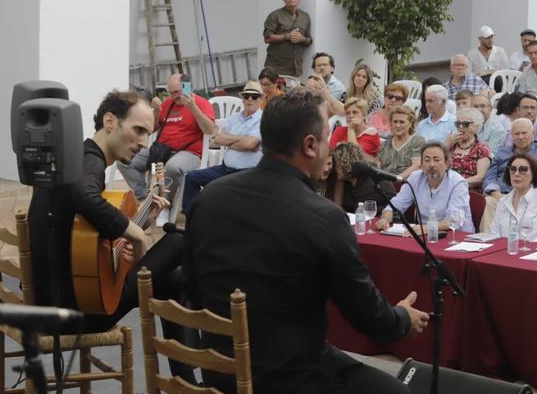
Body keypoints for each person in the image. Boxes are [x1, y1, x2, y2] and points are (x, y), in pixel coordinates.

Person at [184, 89, 429, 392]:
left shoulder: (209, 198)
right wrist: (402, 317)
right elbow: (369, 318)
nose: (330, 150)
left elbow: (193, 289)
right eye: (327, 139)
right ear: (311, 145)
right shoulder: (324, 217)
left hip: (220, 369)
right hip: (291, 376)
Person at [28, 90, 196, 381]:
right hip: (78, 312)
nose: (144, 143)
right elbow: (85, 196)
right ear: (110, 121)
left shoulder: (74, 158)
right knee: (178, 241)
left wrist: (142, 223)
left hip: (59, 301)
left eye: (148, 134)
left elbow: (84, 236)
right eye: (138, 130)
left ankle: (185, 381)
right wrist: (138, 236)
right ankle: (190, 378)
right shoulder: (89, 162)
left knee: (172, 280)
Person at [118, 73, 213, 210]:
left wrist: (193, 107)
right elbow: (151, 129)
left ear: (187, 87)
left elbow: (209, 130)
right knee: (124, 160)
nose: (173, 96)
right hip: (162, 150)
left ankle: (164, 204)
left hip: (189, 152)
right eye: (171, 93)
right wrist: (156, 111)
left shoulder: (202, 103)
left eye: (176, 92)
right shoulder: (169, 103)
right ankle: (145, 198)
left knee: (172, 167)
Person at [181, 81, 263, 214]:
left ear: (261, 99)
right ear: (242, 99)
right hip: (225, 169)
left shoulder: (262, 119)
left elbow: (250, 144)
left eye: (254, 96)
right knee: (191, 178)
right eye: (246, 96)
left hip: (247, 173)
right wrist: (242, 139)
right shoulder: (234, 117)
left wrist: (230, 140)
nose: (249, 99)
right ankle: (193, 217)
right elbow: (218, 139)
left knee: (222, 192)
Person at [376, 141, 474, 233]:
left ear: (447, 164)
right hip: (425, 234)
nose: (431, 165)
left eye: (436, 160)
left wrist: (426, 228)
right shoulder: (414, 178)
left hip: (457, 236)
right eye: (427, 160)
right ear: (421, 164)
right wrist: (385, 220)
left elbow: (453, 220)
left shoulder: (458, 183)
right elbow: (395, 205)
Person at [488, 154, 537, 243]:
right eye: (513, 169)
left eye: (523, 169)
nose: (516, 174)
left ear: (533, 174)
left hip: (532, 250)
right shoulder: (503, 201)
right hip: (504, 250)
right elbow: (494, 234)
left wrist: (526, 246)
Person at [262, 0, 313, 76]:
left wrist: (302, 39)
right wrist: (287, 36)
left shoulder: (305, 17)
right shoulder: (275, 15)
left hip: (296, 68)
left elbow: (309, 40)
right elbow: (267, 38)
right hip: (276, 68)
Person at [330, 142, 390, 215]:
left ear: (344, 164)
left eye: (335, 164)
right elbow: (338, 208)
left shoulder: (368, 181)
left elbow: (360, 213)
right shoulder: (346, 181)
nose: (333, 168)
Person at [448, 107, 491, 191]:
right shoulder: (451, 144)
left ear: (476, 126)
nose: (460, 127)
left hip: (468, 191)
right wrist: (446, 145)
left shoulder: (481, 148)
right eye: (458, 123)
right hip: (446, 188)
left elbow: (480, 177)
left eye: (465, 124)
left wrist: (456, 184)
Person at [376, 105, 424, 179]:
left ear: (410, 124)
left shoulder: (417, 141)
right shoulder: (385, 144)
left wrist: (397, 178)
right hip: (384, 181)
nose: (398, 125)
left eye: (402, 122)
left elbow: (417, 165)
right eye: (395, 122)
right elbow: (378, 166)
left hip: (406, 182)